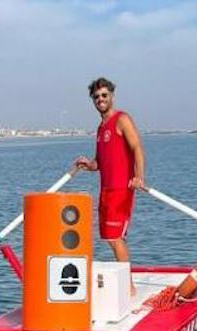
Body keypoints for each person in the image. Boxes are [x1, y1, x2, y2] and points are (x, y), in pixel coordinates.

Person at [74, 77, 146, 295]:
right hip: (105, 191)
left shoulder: (122, 119)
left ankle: (129, 287)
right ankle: (127, 282)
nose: (100, 99)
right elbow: (100, 162)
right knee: (109, 238)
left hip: (121, 190)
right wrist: (89, 164)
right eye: (96, 97)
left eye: (104, 95)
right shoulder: (100, 127)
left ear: (112, 96)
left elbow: (137, 149)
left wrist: (139, 176)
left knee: (115, 238)